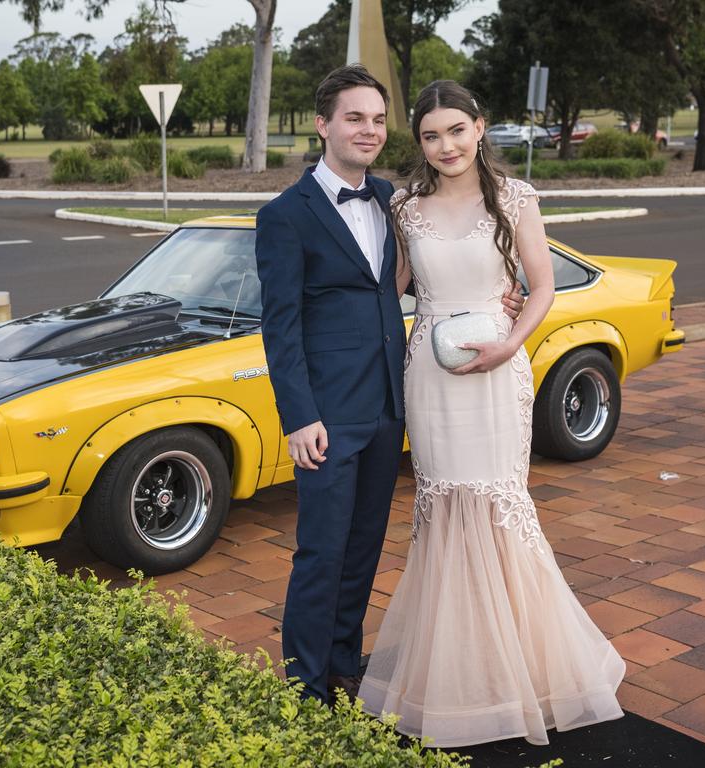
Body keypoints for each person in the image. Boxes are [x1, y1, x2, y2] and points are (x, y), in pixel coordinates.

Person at [358, 80, 625, 746]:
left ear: (480, 128)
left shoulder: (514, 199)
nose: (444, 146)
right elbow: (389, 294)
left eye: (456, 130)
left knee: (498, 503)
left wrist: (511, 343)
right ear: (418, 143)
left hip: (498, 371)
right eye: (429, 135)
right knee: (444, 504)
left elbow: (541, 286)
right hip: (432, 376)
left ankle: (527, 668)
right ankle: (459, 668)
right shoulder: (405, 206)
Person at [255, 66, 523, 706]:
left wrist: (495, 302)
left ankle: (345, 667)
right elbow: (281, 327)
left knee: (364, 549)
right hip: (325, 416)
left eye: (378, 119)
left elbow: (421, 279)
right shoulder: (284, 216)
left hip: (390, 405)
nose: (369, 130)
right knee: (321, 552)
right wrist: (298, 418)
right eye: (354, 118)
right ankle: (304, 687)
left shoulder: (389, 201)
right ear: (322, 125)